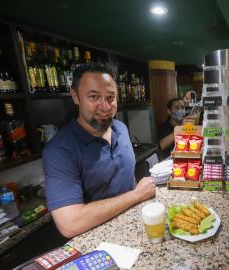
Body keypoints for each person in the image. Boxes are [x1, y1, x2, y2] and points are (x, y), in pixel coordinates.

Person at [42, 64, 156, 238]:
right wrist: (136, 195)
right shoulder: (60, 150)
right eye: (94, 97)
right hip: (99, 242)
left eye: (110, 97)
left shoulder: (121, 128)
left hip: (135, 227)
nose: (105, 106)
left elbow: (126, 176)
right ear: (76, 97)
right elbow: (70, 224)